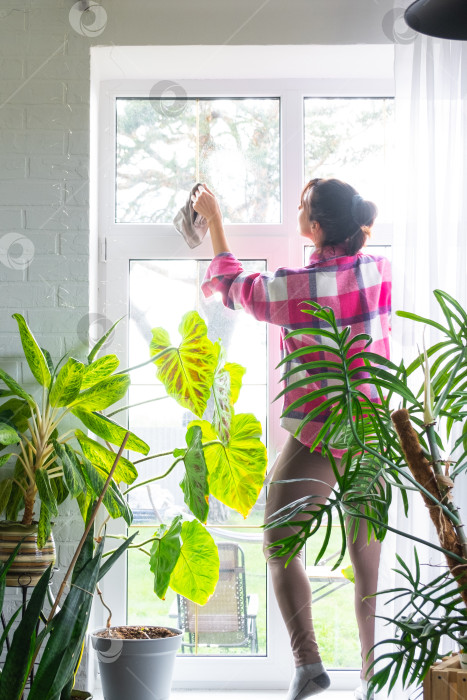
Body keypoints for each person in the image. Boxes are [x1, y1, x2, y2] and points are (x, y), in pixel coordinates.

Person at [193, 178, 391, 700]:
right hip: (371, 434)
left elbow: (233, 286)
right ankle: (374, 681)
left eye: (302, 207)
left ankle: (307, 664)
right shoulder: (378, 270)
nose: (295, 210)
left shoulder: (296, 288)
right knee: (365, 563)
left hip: (319, 434)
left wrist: (214, 219)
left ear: (316, 227)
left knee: (279, 545)